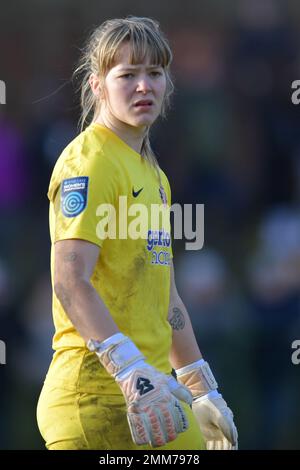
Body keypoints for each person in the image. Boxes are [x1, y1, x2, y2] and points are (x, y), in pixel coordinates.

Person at [36, 16, 238, 451]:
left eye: (154, 73)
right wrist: (131, 371)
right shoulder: (90, 162)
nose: (143, 86)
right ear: (97, 86)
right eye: (127, 75)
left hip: (153, 396)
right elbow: (70, 280)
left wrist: (202, 386)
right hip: (97, 398)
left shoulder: (156, 177)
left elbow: (167, 300)